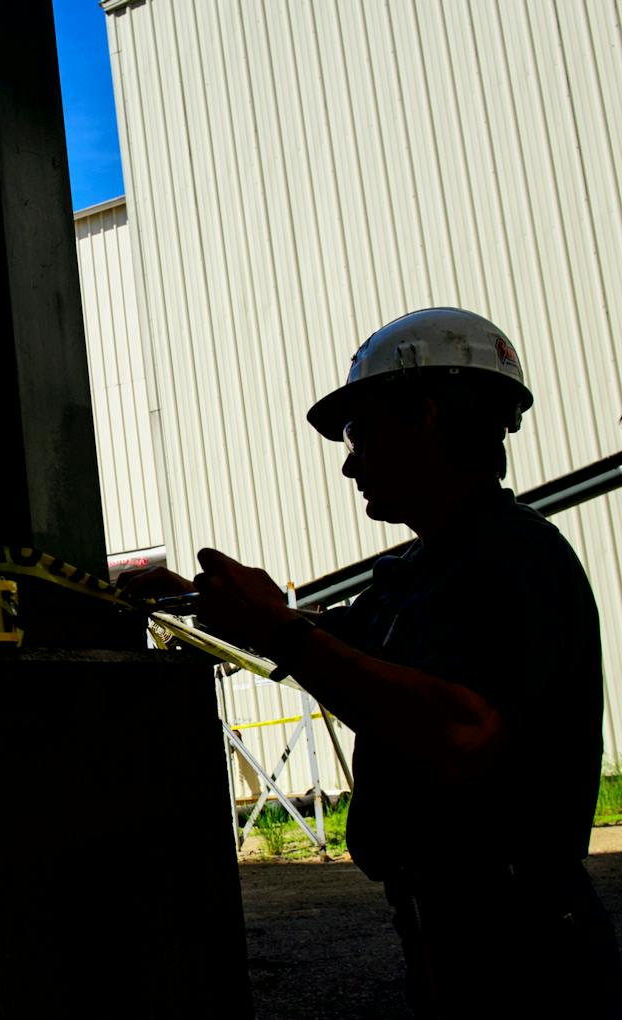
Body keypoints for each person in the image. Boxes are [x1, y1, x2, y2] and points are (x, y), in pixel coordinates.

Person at [130, 308, 621, 1016]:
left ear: (423, 418)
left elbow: (463, 732)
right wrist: (201, 601)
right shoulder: (426, 570)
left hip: (520, 945)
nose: (349, 461)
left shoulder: (516, 559)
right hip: (450, 929)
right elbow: (348, 645)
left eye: (360, 436)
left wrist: (277, 628)